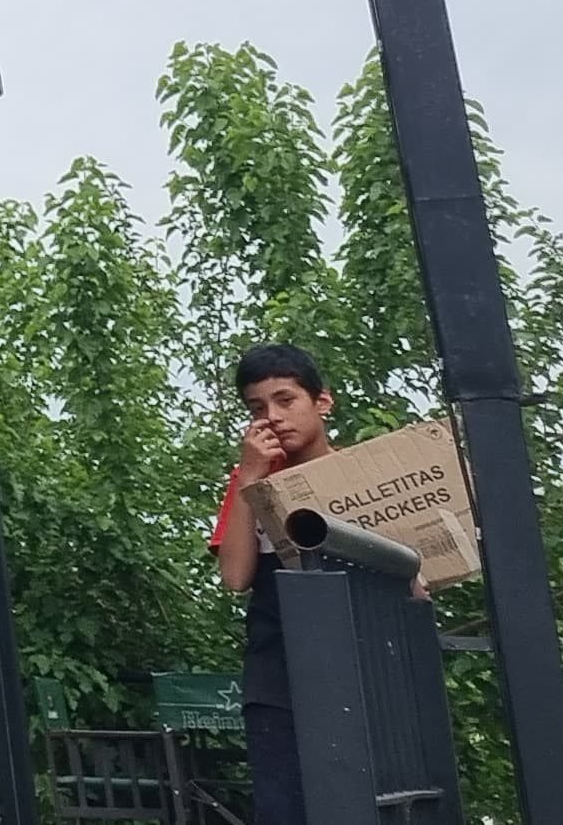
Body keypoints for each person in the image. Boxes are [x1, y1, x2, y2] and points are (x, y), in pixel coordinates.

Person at [213, 342, 337, 825]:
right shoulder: (249, 481)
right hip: (278, 677)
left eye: (286, 400)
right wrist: (250, 477)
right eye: (257, 409)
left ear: (322, 402)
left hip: (360, 666)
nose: (273, 418)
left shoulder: (362, 473)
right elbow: (235, 576)